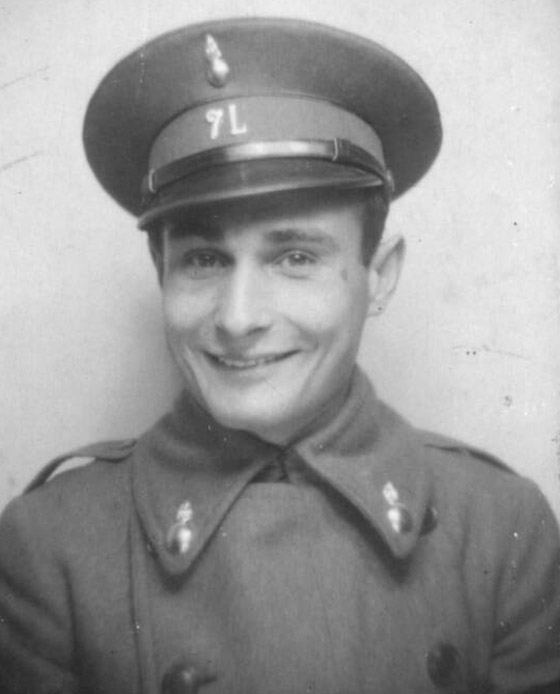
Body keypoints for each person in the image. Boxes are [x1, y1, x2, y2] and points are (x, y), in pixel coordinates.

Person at [0, 16, 559, 694]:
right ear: (161, 272)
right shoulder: (47, 547)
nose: (238, 318)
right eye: (203, 259)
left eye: (295, 257)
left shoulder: (501, 530)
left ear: (379, 276)